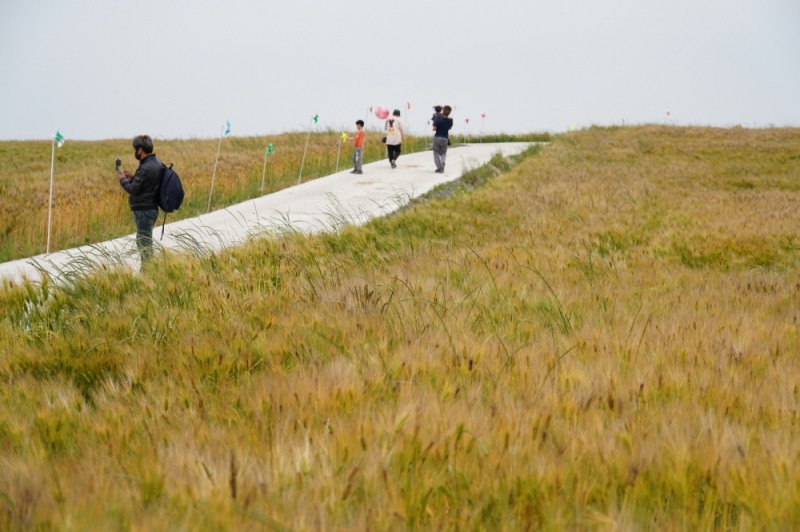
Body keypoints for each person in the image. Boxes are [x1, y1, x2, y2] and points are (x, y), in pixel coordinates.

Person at [117, 135, 161, 264]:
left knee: (144, 243)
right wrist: (133, 177)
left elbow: (134, 190)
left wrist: (122, 180)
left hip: (144, 210)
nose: (135, 152)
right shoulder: (156, 163)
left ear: (140, 150)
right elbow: (146, 184)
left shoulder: (144, 167)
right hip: (151, 208)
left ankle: (148, 272)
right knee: (145, 241)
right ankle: (148, 270)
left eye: (135, 149)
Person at [432, 105, 453, 173]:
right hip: (445, 138)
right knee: (443, 153)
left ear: (443, 111)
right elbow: (449, 128)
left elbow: (434, 128)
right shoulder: (451, 120)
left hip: (438, 137)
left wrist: (437, 127)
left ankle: (439, 167)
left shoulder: (439, 120)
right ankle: (443, 162)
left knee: (436, 153)